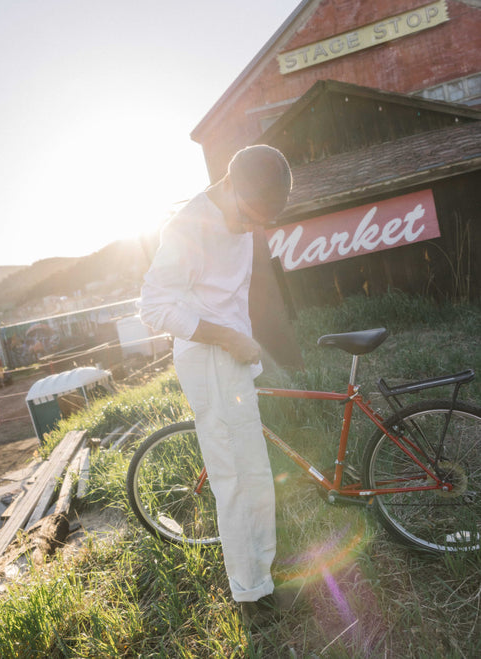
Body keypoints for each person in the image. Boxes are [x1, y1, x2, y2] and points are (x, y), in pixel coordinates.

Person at [139, 145, 303, 627]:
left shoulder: (243, 210)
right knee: (234, 480)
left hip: (231, 355)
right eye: (246, 217)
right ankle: (251, 600)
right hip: (209, 358)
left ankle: (262, 584)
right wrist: (229, 338)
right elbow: (153, 306)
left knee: (255, 478)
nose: (248, 227)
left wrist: (244, 340)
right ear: (228, 184)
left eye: (259, 222)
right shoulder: (190, 226)